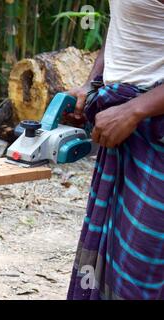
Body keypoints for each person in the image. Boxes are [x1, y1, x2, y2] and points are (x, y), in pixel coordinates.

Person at [66, 0, 164, 300]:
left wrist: (134, 110)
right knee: (112, 264)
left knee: (144, 264)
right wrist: (92, 83)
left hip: (154, 131)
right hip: (127, 125)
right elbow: (124, 23)